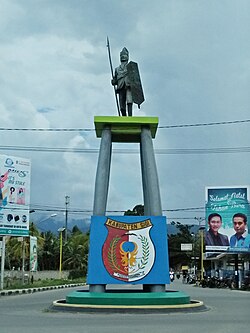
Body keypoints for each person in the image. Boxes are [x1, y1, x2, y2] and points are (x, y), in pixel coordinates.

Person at [111, 47, 133, 116]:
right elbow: (115, 80)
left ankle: (130, 116)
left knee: (129, 101)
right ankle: (124, 116)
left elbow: (135, 78)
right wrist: (113, 81)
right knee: (122, 106)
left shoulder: (131, 66)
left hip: (128, 86)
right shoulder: (117, 69)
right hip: (121, 87)